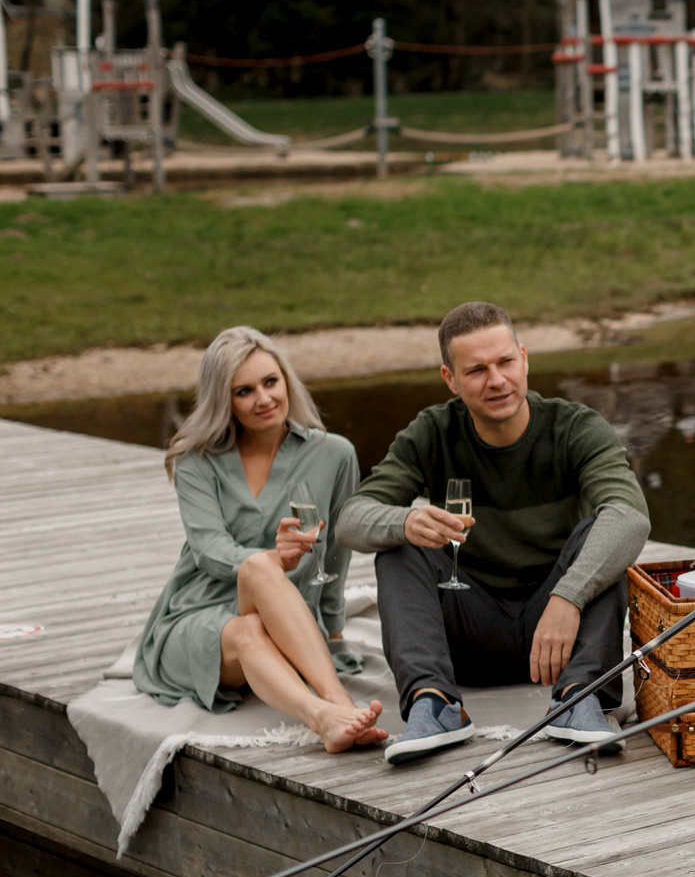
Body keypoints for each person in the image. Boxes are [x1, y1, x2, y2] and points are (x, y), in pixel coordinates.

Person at [337, 301, 650, 764]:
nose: (497, 380)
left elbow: (631, 516)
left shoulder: (574, 427)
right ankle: (435, 704)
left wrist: (568, 596)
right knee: (399, 545)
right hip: (468, 636)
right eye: (477, 370)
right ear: (451, 379)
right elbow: (351, 519)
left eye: (505, 362)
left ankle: (579, 699)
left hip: (559, 635)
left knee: (603, 537)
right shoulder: (432, 432)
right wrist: (404, 521)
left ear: (524, 359)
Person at [133, 328, 385, 753]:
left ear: (287, 380)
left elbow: (335, 556)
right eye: (244, 391)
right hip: (199, 615)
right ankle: (330, 712)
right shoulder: (196, 460)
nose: (264, 399)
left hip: (284, 615)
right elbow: (208, 550)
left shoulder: (334, 454)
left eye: (271, 382)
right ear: (224, 400)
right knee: (254, 582)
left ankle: (336, 710)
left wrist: (334, 630)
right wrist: (272, 558)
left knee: (258, 586)